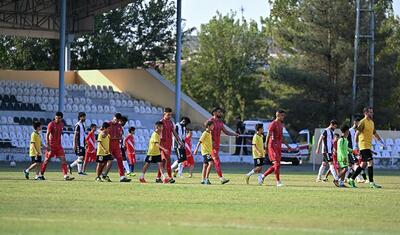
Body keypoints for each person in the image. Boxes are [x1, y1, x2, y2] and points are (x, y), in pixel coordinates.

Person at [348, 107, 385, 188]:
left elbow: (374, 133)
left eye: (372, 112)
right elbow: (357, 134)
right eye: (370, 112)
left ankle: (351, 179)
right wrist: (355, 146)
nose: (372, 113)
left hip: (368, 145)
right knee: (370, 162)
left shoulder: (371, 122)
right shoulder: (362, 122)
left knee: (363, 165)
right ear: (365, 113)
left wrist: (381, 141)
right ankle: (371, 183)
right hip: (363, 145)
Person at [258, 110, 292, 187]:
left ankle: (262, 177)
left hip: (278, 147)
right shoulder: (273, 124)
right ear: (278, 115)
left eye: (284, 115)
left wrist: (288, 146)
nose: (284, 117)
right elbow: (268, 135)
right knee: (277, 163)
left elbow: (281, 137)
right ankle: (278, 182)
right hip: (272, 146)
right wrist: (266, 146)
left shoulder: (281, 124)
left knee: (277, 165)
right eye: (282, 115)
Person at [209, 107, 239, 184]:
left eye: (220, 112)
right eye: (219, 112)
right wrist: (211, 141)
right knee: (217, 162)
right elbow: (207, 132)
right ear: (214, 113)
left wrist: (234, 134)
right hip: (211, 146)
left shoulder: (220, 122)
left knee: (210, 163)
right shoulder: (210, 121)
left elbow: (226, 132)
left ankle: (205, 179)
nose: (220, 113)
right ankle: (221, 178)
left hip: (217, 145)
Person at [40, 112, 74, 181]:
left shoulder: (62, 124)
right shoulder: (51, 124)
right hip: (51, 146)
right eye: (56, 118)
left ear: (61, 118)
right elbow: (47, 134)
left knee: (63, 160)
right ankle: (41, 174)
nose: (57, 119)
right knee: (46, 160)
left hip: (59, 146)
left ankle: (65, 175)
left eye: (58, 118)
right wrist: (48, 145)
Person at [155, 108, 183, 184]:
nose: (170, 116)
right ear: (164, 113)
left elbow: (174, 133)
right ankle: (170, 177)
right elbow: (156, 133)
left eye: (170, 114)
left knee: (163, 162)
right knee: (168, 160)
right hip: (162, 145)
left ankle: (158, 177)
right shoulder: (161, 122)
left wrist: (179, 141)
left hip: (169, 144)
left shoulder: (171, 122)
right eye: (168, 114)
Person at [102, 113, 131, 183]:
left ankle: (122, 177)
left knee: (120, 160)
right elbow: (101, 132)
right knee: (106, 161)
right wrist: (105, 134)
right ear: (113, 117)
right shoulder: (108, 124)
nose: (117, 121)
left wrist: (118, 137)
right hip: (109, 145)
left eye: (118, 120)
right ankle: (102, 174)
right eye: (116, 120)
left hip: (117, 145)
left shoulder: (119, 125)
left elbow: (121, 135)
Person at [315, 120, 339, 186]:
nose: (335, 128)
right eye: (335, 126)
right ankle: (336, 178)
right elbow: (320, 139)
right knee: (331, 164)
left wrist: (333, 148)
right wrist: (317, 148)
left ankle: (318, 177)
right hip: (326, 151)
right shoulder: (326, 131)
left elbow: (331, 142)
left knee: (324, 164)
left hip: (329, 151)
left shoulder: (332, 132)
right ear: (331, 124)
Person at [347, 118, 368, 183]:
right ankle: (359, 178)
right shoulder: (350, 131)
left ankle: (347, 178)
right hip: (351, 150)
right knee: (356, 164)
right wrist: (349, 150)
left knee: (353, 165)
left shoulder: (358, 131)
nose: (359, 124)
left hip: (357, 150)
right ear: (355, 122)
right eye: (358, 123)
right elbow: (347, 141)